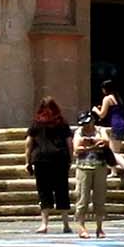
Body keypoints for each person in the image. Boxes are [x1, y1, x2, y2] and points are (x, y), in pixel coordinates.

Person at [26, 97, 73, 234]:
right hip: (60, 159)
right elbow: (69, 143)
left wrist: (27, 161)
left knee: (43, 191)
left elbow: (28, 143)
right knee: (62, 190)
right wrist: (70, 159)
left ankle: (44, 224)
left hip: (41, 159)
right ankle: (66, 224)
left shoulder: (36, 123)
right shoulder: (62, 123)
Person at [72, 112, 117, 237]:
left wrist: (90, 141)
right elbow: (76, 149)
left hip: (100, 167)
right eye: (83, 124)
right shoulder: (78, 132)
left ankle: (99, 227)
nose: (86, 126)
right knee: (82, 198)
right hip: (83, 168)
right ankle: (81, 227)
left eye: (87, 123)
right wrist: (92, 146)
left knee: (100, 199)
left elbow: (106, 142)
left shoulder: (100, 130)